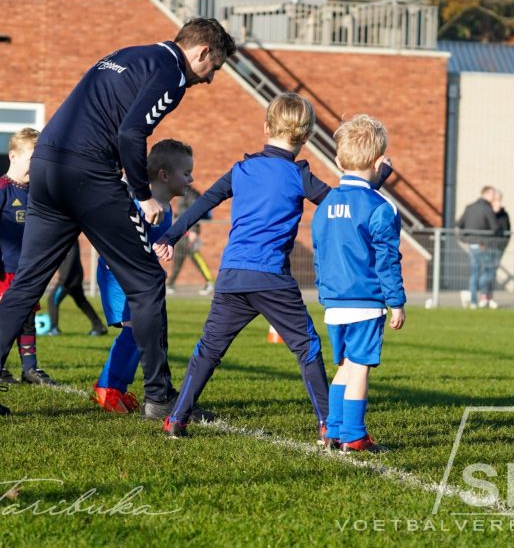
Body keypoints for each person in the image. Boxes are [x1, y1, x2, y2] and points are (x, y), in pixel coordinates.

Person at [0, 17, 236, 417]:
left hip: (46, 167)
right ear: (202, 52)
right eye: (214, 69)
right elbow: (130, 134)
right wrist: (142, 196)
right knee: (146, 284)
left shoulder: (129, 55)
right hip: (87, 173)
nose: (210, 79)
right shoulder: (171, 73)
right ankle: (160, 398)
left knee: (25, 286)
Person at [156, 94, 390, 439]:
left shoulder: (242, 169)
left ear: (266, 127)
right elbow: (346, 204)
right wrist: (377, 179)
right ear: (306, 136)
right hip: (271, 280)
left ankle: (176, 418)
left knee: (208, 349)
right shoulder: (299, 175)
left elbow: (201, 203)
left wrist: (170, 237)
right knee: (306, 347)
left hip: (232, 276)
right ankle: (328, 424)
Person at [312, 114, 405, 454]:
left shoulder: (325, 206)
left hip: (334, 301)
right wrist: (396, 301)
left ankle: (333, 430)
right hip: (365, 301)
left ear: (338, 159)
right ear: (380, 161)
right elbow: (387, 259)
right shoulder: (381, 207)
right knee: (360, 367)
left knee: (346, 366)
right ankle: (354, 435)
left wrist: (325, 291)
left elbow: (320, 254)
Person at [92, 139, 193, 414]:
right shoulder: (135, 203)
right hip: (118, 274)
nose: (191, 179)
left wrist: (164, 247)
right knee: (136, 330)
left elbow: (153, 245)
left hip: (140, 278)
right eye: (186, 173)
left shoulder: (167, 209)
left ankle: (115, 389)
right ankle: (107, 388)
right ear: (164, 175)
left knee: (141, 332)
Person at [0, 128, 56, 387]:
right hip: (4, 268)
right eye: (31, 159)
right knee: (1, 320)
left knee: (28, 319)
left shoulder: (35, 190)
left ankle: (30, 369)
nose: (35, 166)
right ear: (13, 155)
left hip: (27, 270)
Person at [46, 240, 107, 336]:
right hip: (73, 278)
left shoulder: (70, 239)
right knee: (81, 302)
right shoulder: (63, 238)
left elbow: (71, 259)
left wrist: (63, 280)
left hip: (68, 280)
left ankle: (53, 329)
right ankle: (99, 326)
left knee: (52, 300)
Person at [165, 186, 215, 296]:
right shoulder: (182, 192)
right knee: (179, 257)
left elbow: (195, 212)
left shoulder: (190, 194)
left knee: (195, 257)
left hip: (189, 232)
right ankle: (170, 283)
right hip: (182, 232)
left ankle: (210, 282)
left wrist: (194, 231)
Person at [456, 186, 500, 309]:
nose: (494, 197)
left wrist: (465, 238)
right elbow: (495, 228)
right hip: (484, 245)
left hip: (472, 245)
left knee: (474, 273)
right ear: (486, 194)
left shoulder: (469, 207)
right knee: (489, 271)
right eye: (493, 194)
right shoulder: (487, 209)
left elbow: (459, 224)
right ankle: (481, 292)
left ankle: (474, 301)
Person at [485, 189, 511, 310]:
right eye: (496, 200)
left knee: (491, 273)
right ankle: (483, 296)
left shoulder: (504, 214)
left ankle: (489, 297)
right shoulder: (488, 212)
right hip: (487, 246)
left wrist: (504, 244)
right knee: (486, 273)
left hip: (498, 247)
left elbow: (507, 230)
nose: (498, 203)